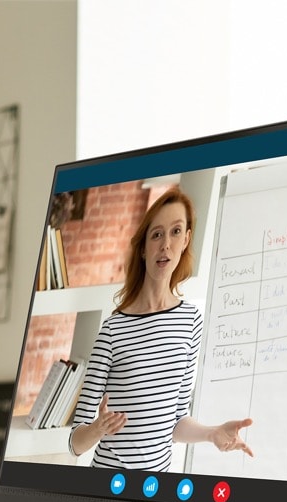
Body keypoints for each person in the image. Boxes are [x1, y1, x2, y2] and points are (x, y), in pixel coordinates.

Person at [68, 187, 254, 471]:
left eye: (175, 232)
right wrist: (98, 428)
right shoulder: (112, 330)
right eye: (156, 234)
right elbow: (75, 443)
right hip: (106, 486)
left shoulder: (191, 320)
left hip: (156, 489)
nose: (165, 244)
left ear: (186, 240)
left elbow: (177, 421)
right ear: (143, 248)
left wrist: (211, 433)